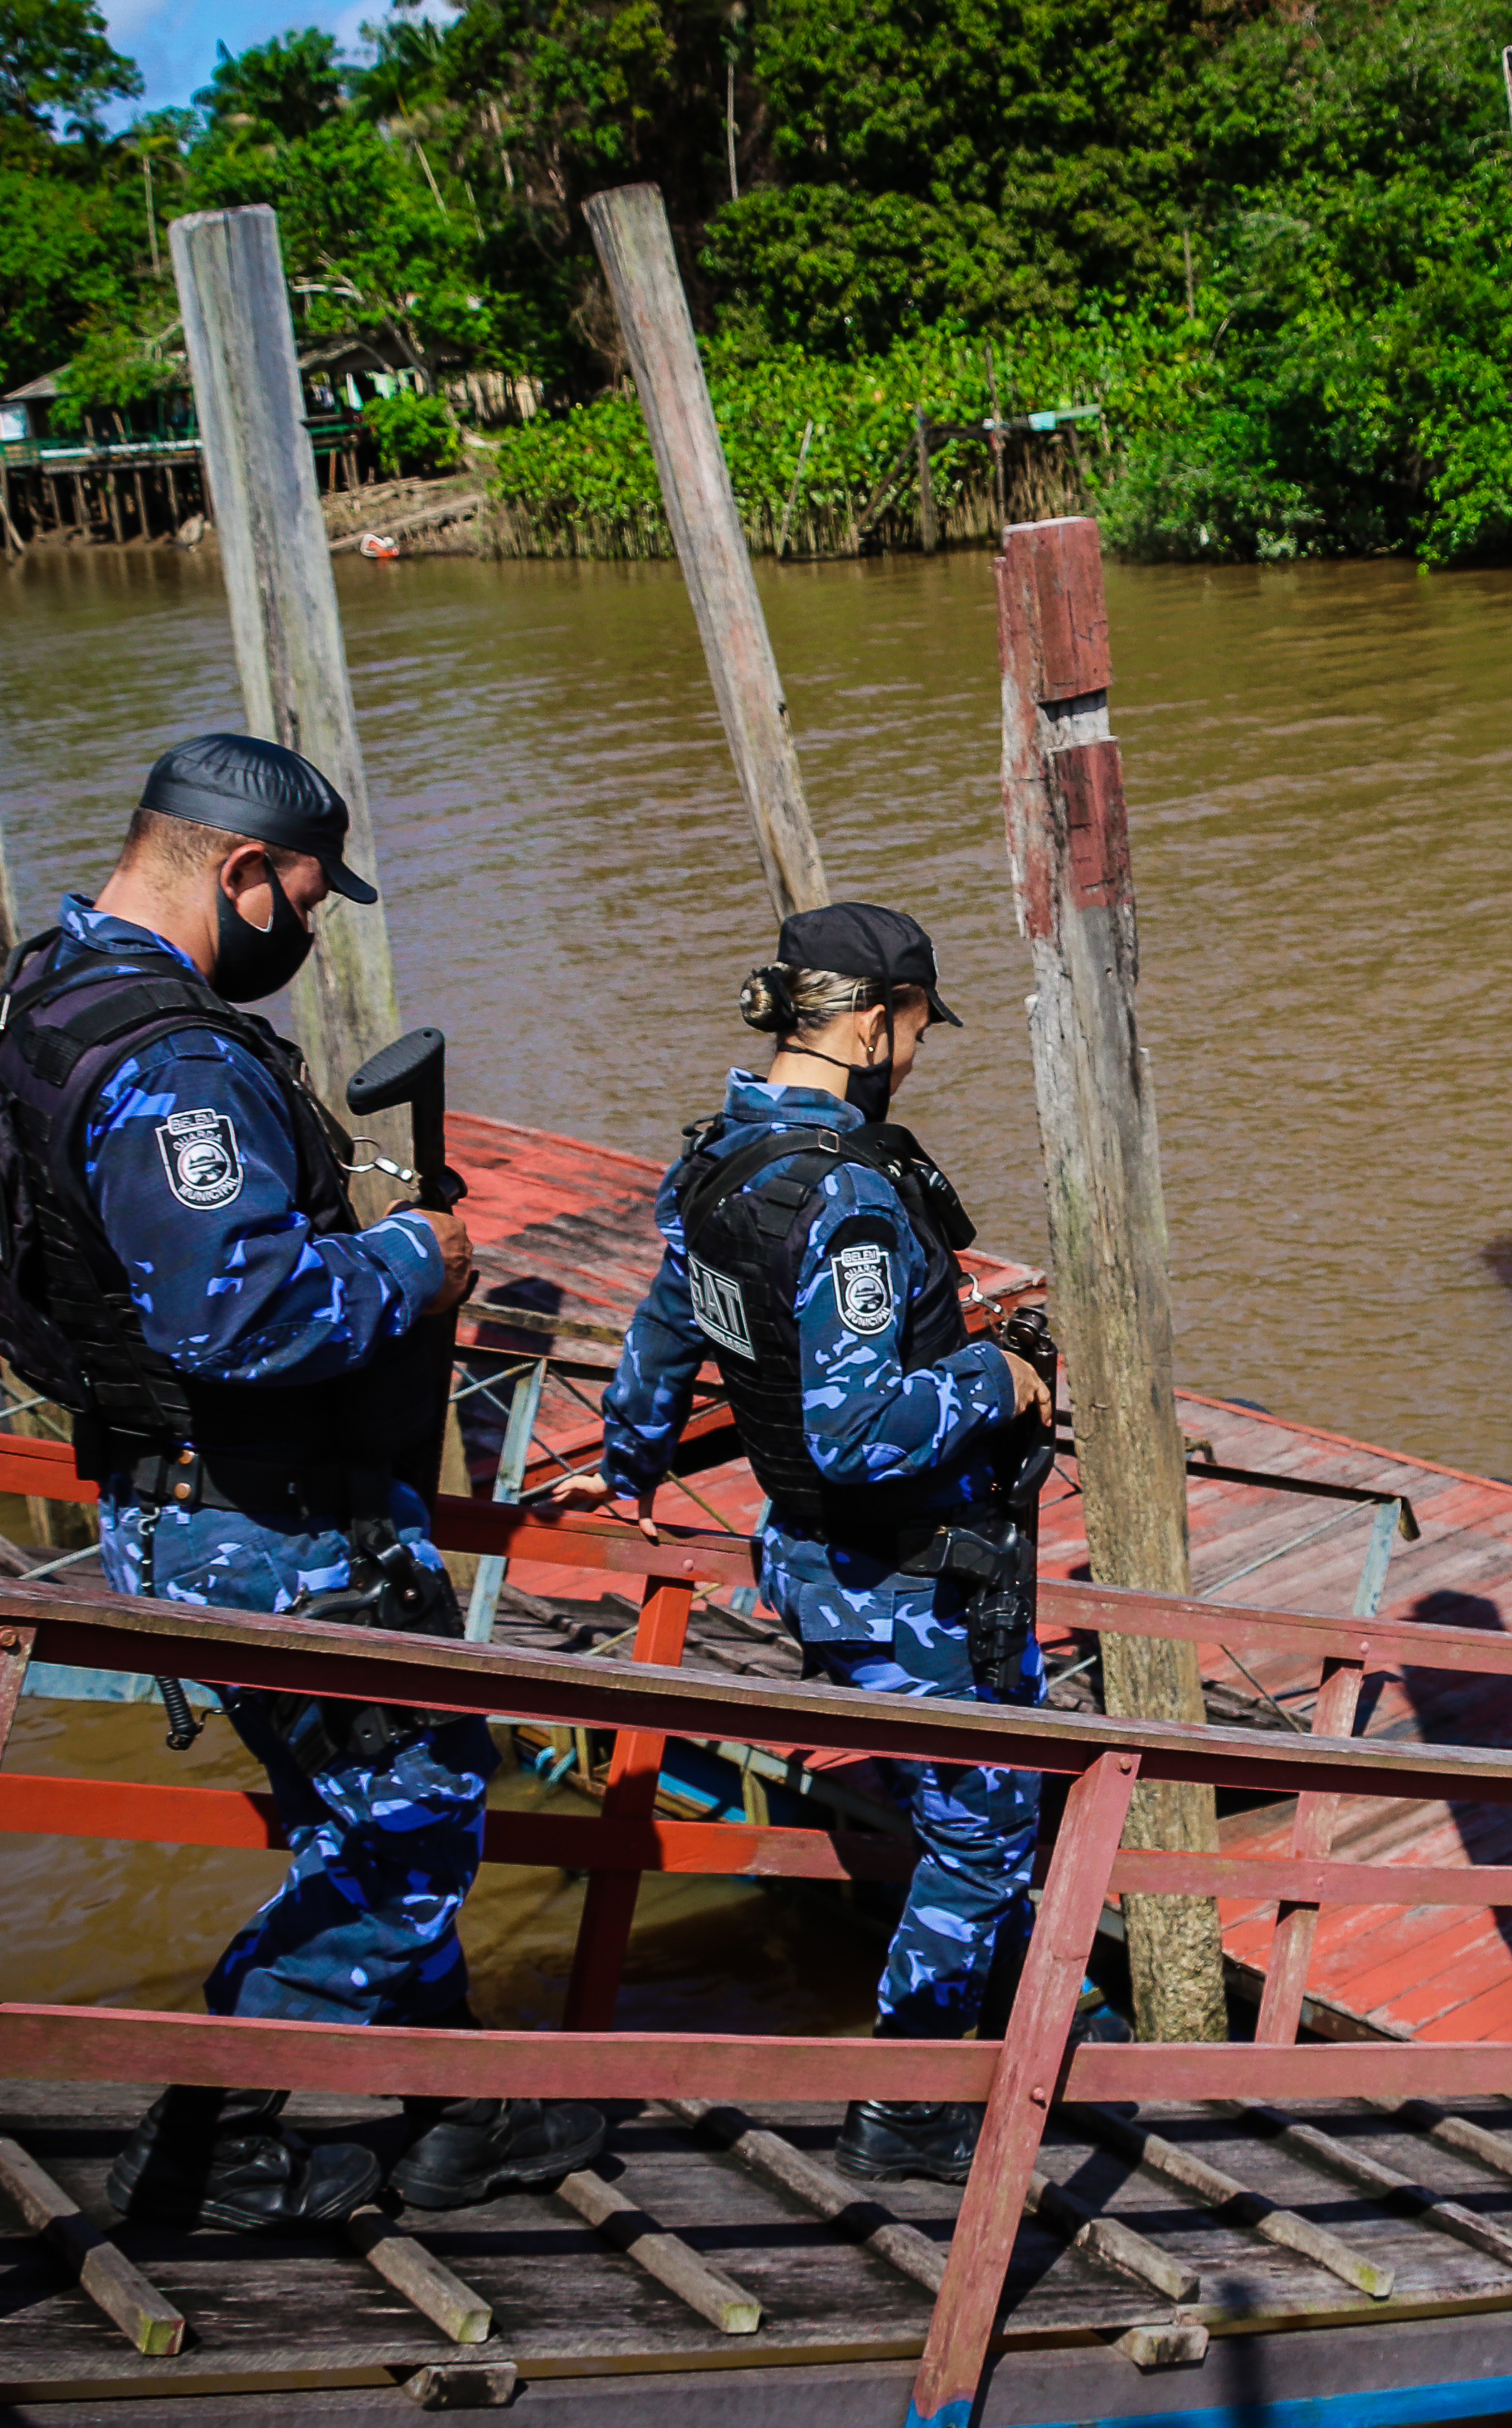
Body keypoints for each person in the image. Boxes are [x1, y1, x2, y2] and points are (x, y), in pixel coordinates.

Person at [0, 732, 604, 2233]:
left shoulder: (41, 992)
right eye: (302, 903)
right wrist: (411, 1254)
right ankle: (206, 2144)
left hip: (164, 1492)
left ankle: (457, 2120)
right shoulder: (174, 1060)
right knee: (416, 1829)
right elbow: (238, 1316)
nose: (305, 935)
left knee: (367, 1805)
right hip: (272, 1519)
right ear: (241, 871)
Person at [596, 901, 1085, 2184]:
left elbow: (664, 1327)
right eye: (916, 1026)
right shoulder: (851, 1195)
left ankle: (1027, 2026)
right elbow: (863, 1426)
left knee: (981, 1801)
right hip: (906, 1567)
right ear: (872, 1019)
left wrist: (631, 1462)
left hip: (807, 1553)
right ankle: (914, 2102)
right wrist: (997, 1379)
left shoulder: (715, 1161)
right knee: (985, 1827)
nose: (917, 1053)